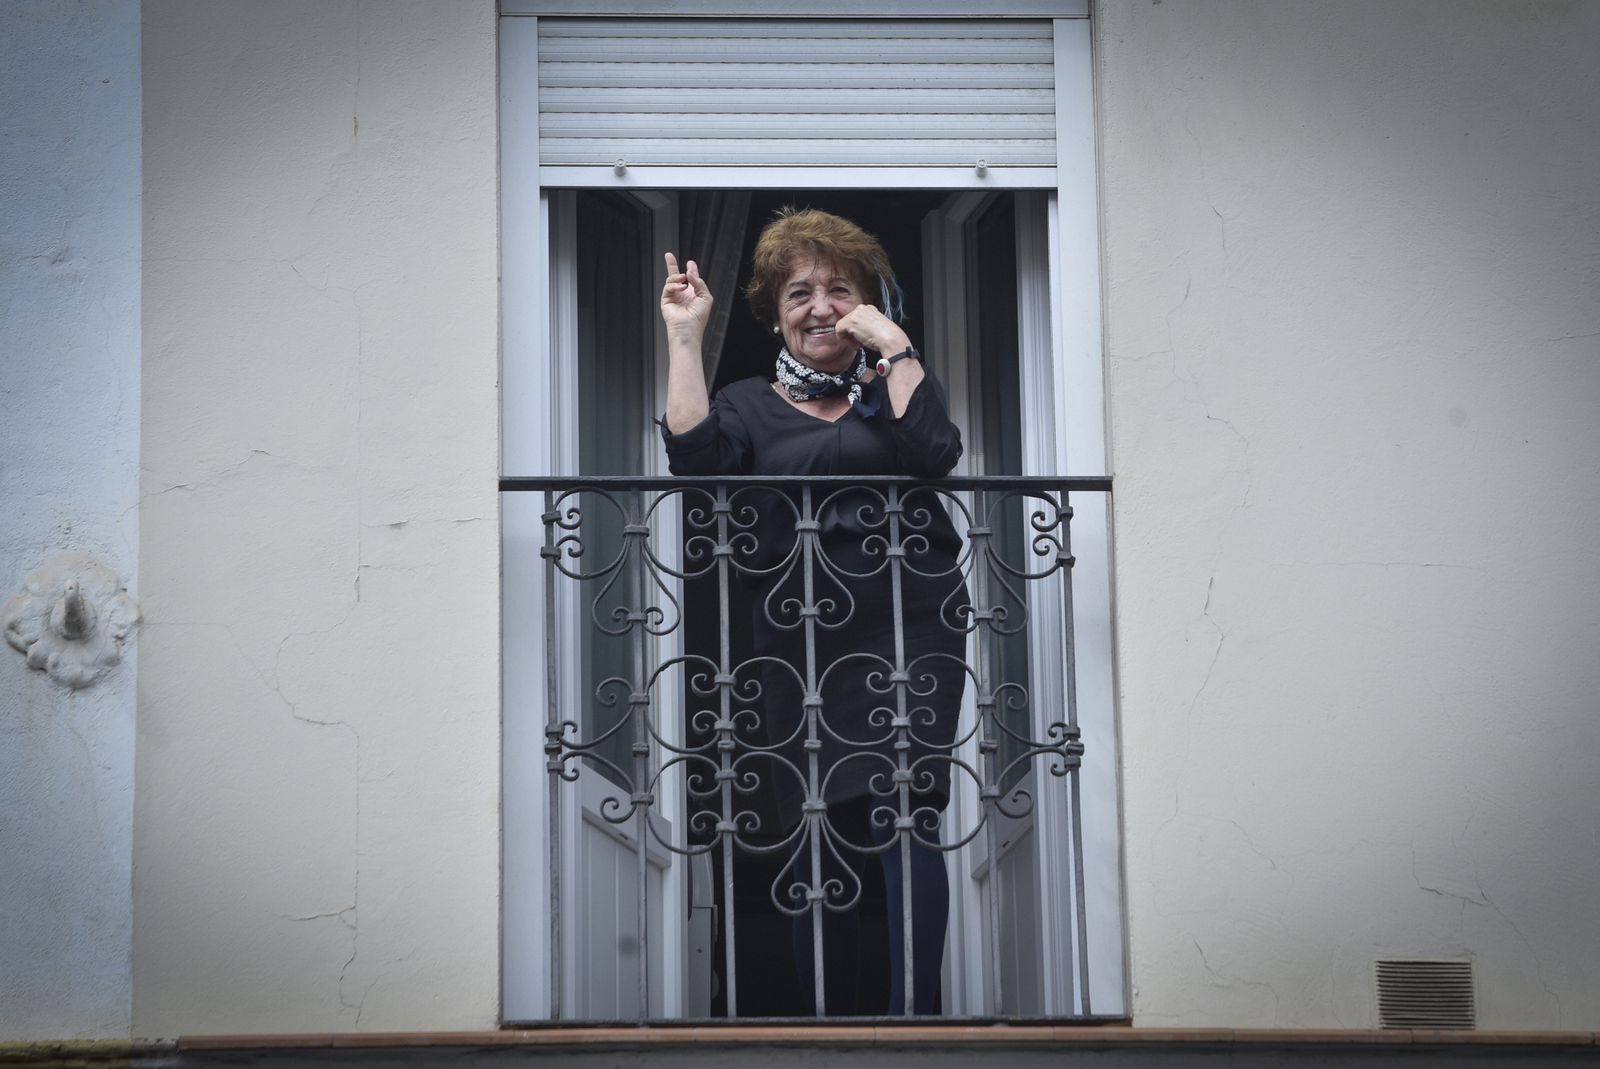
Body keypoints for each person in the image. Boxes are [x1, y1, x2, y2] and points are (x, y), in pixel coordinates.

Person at [658, 207, 967, 1016]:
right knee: (816, 823)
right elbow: (695, 462)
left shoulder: (893, 385)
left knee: (907, 809)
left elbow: (935, 451)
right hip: (799, 636)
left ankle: (916, 1018)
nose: (820, 306)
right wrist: (686, 337)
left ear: (866, 303)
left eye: (840, 289)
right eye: (799, 292)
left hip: (912, 623)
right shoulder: (746, 403)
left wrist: (893, 345)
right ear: (775, 313)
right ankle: (829, 1023)